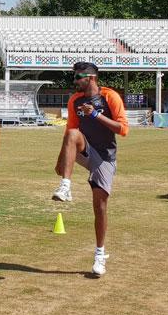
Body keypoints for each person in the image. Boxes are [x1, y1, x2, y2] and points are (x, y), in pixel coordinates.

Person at [52, 62, 129, 276]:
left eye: (78, 77)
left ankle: (99, 255)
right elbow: (70, 132)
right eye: (74, 77)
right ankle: (65, 186)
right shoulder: (75, 100)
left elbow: (123, 129)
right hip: (86, 150)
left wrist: (96, 115)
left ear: (91, 78)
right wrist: (61, 160)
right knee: (73, 134)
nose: (75, 81)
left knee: (100, 206)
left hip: (105, 158)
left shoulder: (109, 97)